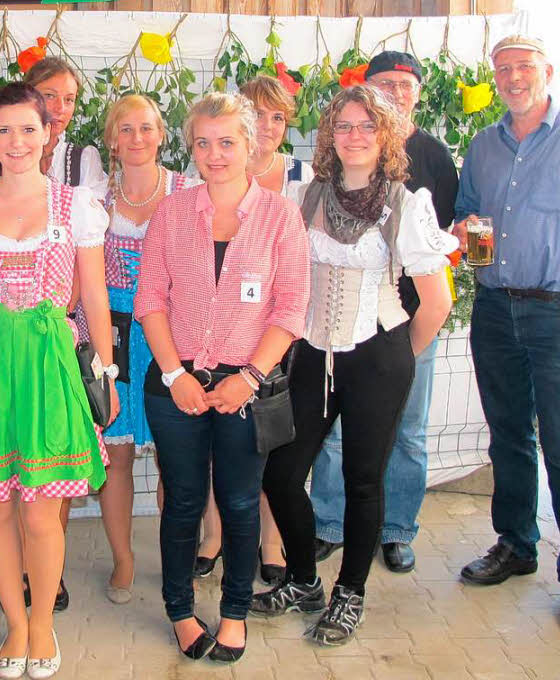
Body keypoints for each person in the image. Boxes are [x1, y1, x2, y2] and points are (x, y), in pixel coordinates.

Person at [253, 86, 455, 646]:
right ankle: (302, 579)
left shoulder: (406, 203)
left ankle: (350, 593)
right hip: (315, 352)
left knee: (364, 480)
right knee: (283, 473)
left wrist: (392, 364)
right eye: (344, 126)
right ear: (329, 135)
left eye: (367, 126)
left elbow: (436, 303)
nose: (355, 136)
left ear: (386, 134)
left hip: (378, 354)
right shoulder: (309, 195)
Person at [0, 83, 117, 679]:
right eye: (5, 130)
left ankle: (42, 623)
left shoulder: (76, 205)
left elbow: (93, 295)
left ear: (49, 134)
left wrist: (106, 372)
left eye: (29, 129)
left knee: (40, 510)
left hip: (50, 362)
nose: (17, 141)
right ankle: (14, 623)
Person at [135, 92, 311, 663]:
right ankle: (180, 611)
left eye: (227, 142)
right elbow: (149, 300)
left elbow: (289, 309)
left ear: (251, 144)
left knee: (238, 504)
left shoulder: (281, 215)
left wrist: (250, 377)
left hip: (246, 389)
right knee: (183, 501)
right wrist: (173, 374)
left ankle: (235, 613)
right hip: (175, 383)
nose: (215, 154)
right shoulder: (172, 211)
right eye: (204, 143)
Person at [453, 35, 560, 634]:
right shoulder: (483, 145)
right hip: (494, 306)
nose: (513, 77)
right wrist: (463, 230)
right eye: (503, 69)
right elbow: (463, 212)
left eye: (523, 67)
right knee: (508, 435)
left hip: (557, 311)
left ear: (547, 70)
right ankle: (516, 544)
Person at [309, 51, 459, 574]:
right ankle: (329, 524)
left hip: (403, 324)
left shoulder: (432, 161)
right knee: (332, 442)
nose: (394, 91)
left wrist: (401, 354)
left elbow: (445, 251)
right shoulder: (315, 190)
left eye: (402, 84)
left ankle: (395, 532)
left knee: (407, 433)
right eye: (382, 84)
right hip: (333, 340)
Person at [192, 75, 315, 587]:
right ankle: (215, 534)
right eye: (257, 115)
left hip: (278, 339)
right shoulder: (208, 178)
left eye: (276, 117)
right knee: (224, 451)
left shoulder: (301, 180)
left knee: (267, 447)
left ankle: (271, 540)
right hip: (220, 338)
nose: (266, 126)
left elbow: (297, 277)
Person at [95, 94, 200, 604]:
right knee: (114, 453)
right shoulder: (93, 198)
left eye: (147, 128)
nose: (137, 138)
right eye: (126, 129)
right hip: (112, 331)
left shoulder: (188, 192)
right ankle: (122, 558)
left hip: (169, 329)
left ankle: (172, 556)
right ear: (112, 140)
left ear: (162, 135)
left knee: (171, 455)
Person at [0, 56, 108, 201]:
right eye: (50, 96)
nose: (60, 108)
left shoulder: (83, 160)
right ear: (27, 96)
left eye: (69, 99)